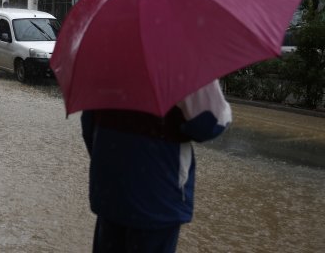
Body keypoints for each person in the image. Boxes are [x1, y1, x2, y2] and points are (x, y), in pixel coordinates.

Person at [81, 80, 232, 252]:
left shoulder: (105, 62)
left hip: (109, 193)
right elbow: (210, 123)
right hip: (158, 198)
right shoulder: (184, 63)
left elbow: (89, 126)